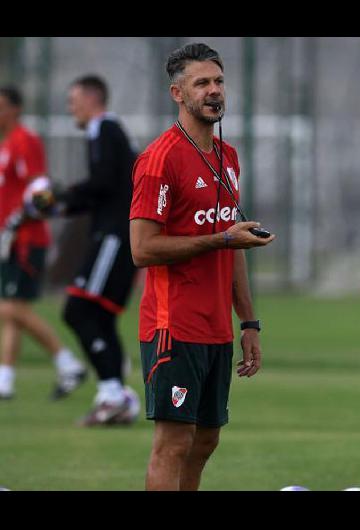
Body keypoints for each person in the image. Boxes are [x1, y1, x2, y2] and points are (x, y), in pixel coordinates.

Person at [129, 42, 275, 491]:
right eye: (202, 83)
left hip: (217, 327)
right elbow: (142, 248)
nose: (215, 92)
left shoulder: (227, 158)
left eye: (219, 82)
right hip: (174, 324)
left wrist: (248, 321)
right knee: (173, 443)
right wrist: (221, 238)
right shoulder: (160, 158)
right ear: (178, 93)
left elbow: (233, 245)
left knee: (206, 439)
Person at [32, 75, 141, 424]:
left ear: (92, 99)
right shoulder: (107, 133)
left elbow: (103, 183)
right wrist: (63, 205)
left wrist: (62, 196)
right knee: (100, 317)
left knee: (78, 310)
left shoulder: (103, 128)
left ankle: (113, 394)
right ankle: (115, 398)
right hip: (115, 233)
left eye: (73, 101)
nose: (70, 108)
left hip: (113, 236)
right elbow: (104, 190)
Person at [0, 85, 86, 400]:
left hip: (26, 240)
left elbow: (40, 189)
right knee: (13, 309)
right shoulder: (7, 145)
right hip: (10, 240)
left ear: (15, 109)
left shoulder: (25, 141)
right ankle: (5, 379)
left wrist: (20, 218)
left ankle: (68, 363)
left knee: (9, 308)